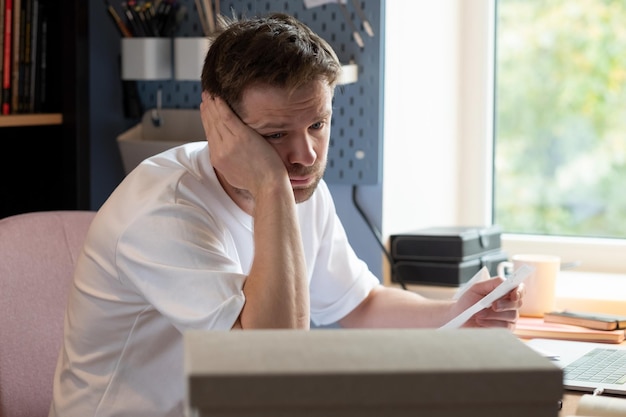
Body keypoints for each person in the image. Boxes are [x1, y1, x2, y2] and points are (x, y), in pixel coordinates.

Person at [49, 12, 524, 417]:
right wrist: (270, 185)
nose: (305, 154)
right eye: (275, 134)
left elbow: (358, 304)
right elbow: (271, 363)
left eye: (317, 124)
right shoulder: (163, 213)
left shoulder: (300, 190)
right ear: (222, 125)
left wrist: (457, 314)